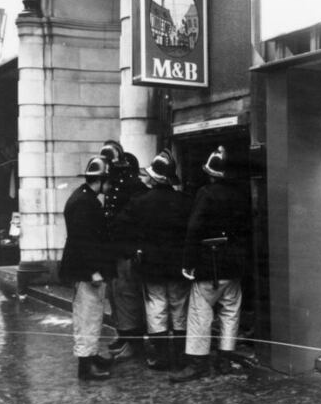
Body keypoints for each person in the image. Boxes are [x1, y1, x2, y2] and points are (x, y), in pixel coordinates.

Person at [170, 146, 251, 383]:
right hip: (234, 265)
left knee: (200, 313)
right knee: (230, 312)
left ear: (210, 173)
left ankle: (198, 362)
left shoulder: (205, 193)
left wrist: (188, 262)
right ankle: (225, 358)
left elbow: (194, 228)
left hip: (209, 263)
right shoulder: (240, 193)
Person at [115, 150, 193, 371]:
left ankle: (160, 357)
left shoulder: (140, 202)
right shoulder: (185, 201)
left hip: (151, 265)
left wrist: (135, 248)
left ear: (154, 177)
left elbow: (120, 226)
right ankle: (179, 355)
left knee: (156, 307)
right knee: (179, 308)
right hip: (178, 265)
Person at [58, 156, 115, 380]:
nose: (109, 187)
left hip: (85, 270)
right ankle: (85, 366)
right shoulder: (85, 202)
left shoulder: (83, 197)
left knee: (91, 314)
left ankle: (90, 356)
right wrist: (93, 270)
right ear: (100, 180)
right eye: (107, 181)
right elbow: (83, 241)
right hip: (87, 271)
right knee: (87, 316)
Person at [101, 141, 148, 360]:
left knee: (128, 296)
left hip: (127, 250)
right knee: (116, 295)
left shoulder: (135, 189)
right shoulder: (115, 186)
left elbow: (134, 219)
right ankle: (124, 335)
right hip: (115, 249)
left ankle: (133, 342)